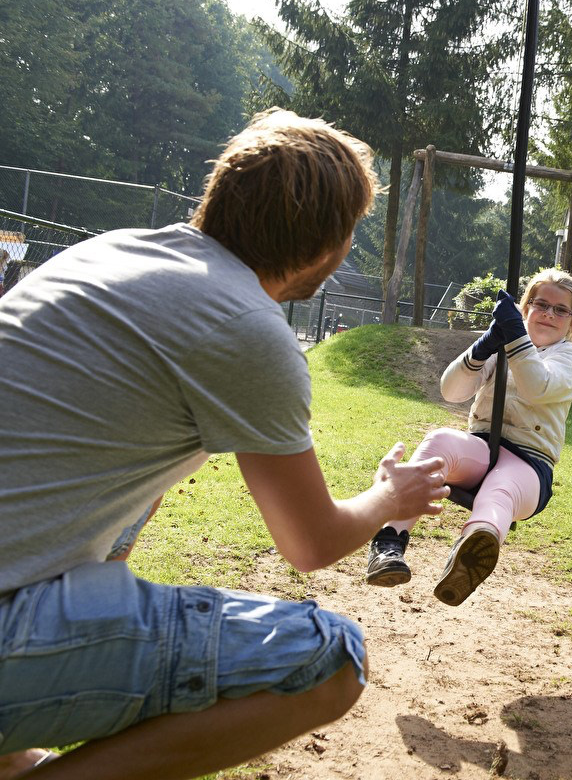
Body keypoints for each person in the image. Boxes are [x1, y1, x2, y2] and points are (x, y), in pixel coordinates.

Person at [0, 109, 449, 780]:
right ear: (326, 241)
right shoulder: (244, 325)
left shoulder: (115, 252)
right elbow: (311, 543)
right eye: (351, 230)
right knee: (330, 658)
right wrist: (393, 495)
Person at [365, 268, 572, 606]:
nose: (548, 314)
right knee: (440, 441)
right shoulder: (502, 341)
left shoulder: (569, 356)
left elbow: (537, 386)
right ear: (525, 307)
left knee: (500, 490)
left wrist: (516, 338)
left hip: (529, 465)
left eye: (560, 310)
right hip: (483, 448)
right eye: (541, 304)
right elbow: (451, 391)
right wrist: (484, 346)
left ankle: (470, 555)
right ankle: (389, 542)